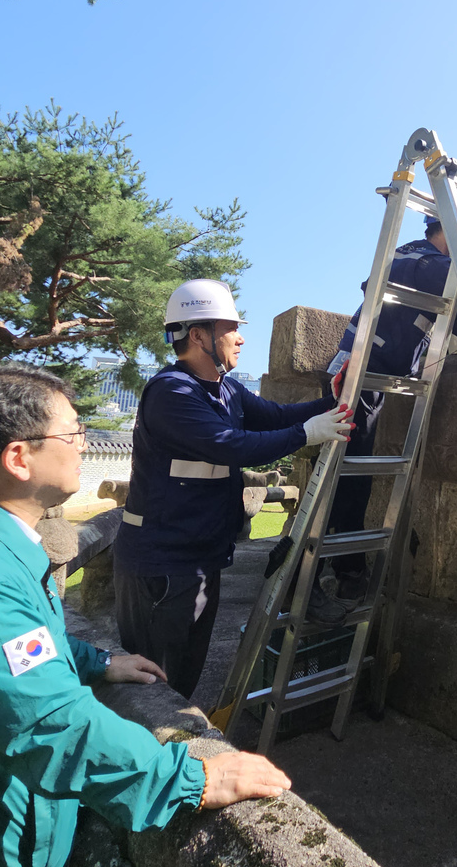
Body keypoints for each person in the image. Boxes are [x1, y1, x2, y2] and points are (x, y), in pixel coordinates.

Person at [0, 362, 291, 867]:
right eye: (72, 431)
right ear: (19, 457)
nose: (84, 443)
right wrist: (192, 777)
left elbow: (20, 648)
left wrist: (96, 662)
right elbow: (50, 725)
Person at [113, 279, 353, 698]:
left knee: (184, 679)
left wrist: (332, 400)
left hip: (201, 556)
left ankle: (177, 755)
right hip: (163, 566)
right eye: (231, 328)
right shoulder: (173, 392)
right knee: (154, 686)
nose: (240, 337)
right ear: (198, 335)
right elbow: (232, 446)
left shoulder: (225, 388)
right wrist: (307, 434)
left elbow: (275, 416)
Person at [320, 215, 457, 614]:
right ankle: (324, 575)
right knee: (349, 476)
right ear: (451, 230)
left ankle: (341, 569)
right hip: (357, 377)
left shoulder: (417, 259)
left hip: (367, 372)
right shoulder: (430, 265)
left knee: (352, 471)